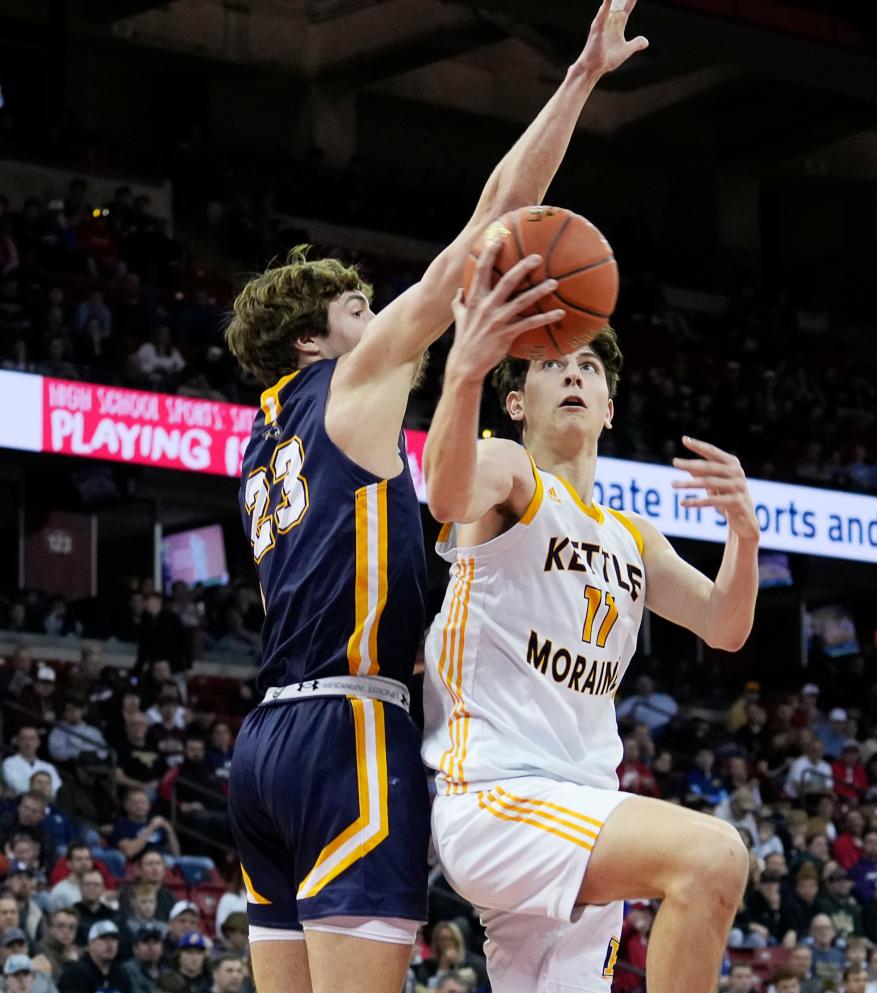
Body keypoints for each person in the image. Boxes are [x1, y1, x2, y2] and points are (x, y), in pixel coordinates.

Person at [222, 5, 650, 993]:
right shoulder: (350, 383)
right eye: (359, 309)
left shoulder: (261, 439)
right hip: (349, 735)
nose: (383, 321)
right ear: (310, 340)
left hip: (261, 750)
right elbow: (493, 217)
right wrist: (581, 78)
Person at [420, 198, 757, 993]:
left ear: (608, 406)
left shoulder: (631, 536)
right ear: (515, 401)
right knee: (713, 857)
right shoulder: (510, 472)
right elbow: (443, 490)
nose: (573, 372)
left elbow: (727, 626)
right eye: (549, 364)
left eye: (590, 368)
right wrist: (465, 368)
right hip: (498, 798)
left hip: (578, 810)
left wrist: (745, 532)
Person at [59, 920, 132, 993]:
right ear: (91, 943)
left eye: (114, 939)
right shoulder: (75, 974)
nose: (110, 944)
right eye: (104, 938)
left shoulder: (121, 974)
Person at [112, 787, 181, 859]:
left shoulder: (157, 821)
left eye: (143, 802)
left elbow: (176, 855)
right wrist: (150, 828)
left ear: (149, 805)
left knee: (188, 862)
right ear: (126, 806)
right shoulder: (121, 825)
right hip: (139, 862)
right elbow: (129, 852)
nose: (140, 806)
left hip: (162, 860)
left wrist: (169, 829)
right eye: (135, 803)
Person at [1, 728, 62, 797]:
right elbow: (18, 786)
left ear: (38, 742)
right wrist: (44, 790)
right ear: (17, 741)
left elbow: (57, 788)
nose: (28, 742)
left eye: (32, 739)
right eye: (24, 739)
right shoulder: (9, 763)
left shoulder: (48, 767)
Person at [37, 907, 81, 983]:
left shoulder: (77, 952)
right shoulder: (41, 952)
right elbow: (60, 983)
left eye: (71, 927)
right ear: (50, 928)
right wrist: (72, 964)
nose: (66, 931)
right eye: (60, 926)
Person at [120, 925, 165, 993]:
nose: (151, 947)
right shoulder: (126, 971)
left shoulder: (167, 971)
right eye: (145, 942)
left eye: (155, 942)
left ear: (162, 948)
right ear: (135, 948)